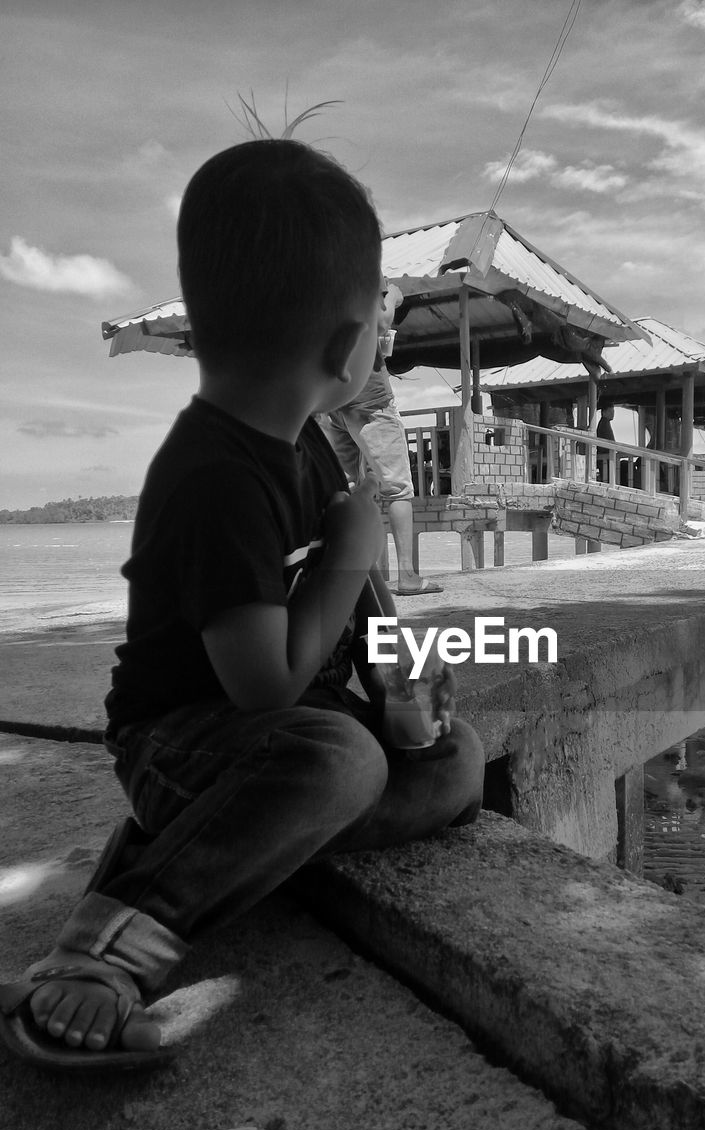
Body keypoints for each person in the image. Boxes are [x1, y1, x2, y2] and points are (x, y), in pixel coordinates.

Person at [0, 138, 484, 1072]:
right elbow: (261, 687)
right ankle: (102, 956)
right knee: (337, 760)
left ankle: (221, 844)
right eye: (377, 330)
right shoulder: (212, 474)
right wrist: (348, 555)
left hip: (277, 734)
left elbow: (355, 613)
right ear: (348, 349)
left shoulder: (312, 444)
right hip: (181, 738)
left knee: (451, 763)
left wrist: (401, 680)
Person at [319, 282, 442, 596]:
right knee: (398, 488)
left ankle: (357, 577)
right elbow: (382, 320)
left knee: (354, 487)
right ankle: (408, 577)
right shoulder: (362, 265)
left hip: (334, 399)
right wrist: (396, 296)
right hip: (371, 399)